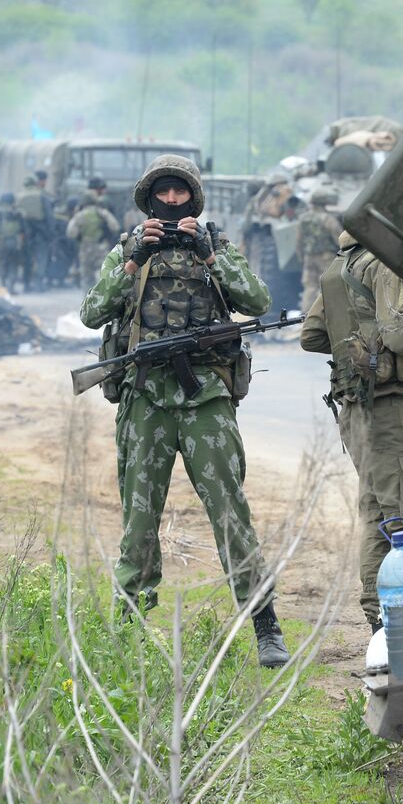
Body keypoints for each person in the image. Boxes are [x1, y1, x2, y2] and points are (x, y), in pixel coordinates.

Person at [78, 154, 290, 667]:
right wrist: (131, 261)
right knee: (139, 517)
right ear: (150, 199)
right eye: (164, 194)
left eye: (180, 194)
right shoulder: (128, 250)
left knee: (229, 509)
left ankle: (264, 624)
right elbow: (91, 313)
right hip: (146, 397)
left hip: (205, 400)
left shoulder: (214, 246)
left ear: (193, 199)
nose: (172, 202)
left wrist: (212, 256)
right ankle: (129, 627)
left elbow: (258, 301)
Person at [300, 230, 403, 632]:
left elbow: (311, 336)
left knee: (379, 514)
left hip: (356, 410)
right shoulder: (384, 264)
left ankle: (379, 617)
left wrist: (355, 348)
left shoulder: (339, 266)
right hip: (393, 409)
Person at [66, 176, 120, 286]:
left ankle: (87, 299)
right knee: (103, 272)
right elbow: (114, 226)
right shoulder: (102, 204)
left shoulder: (81, 205)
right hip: (101, 243)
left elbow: (72, 231)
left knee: (86, 275)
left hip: (85, 244)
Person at [296, 188, 343, 314]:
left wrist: (301, 256)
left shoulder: (303, 219)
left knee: (310, 287)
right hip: (325, 257)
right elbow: (339, 239)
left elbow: (299, 241)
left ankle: (306, 315)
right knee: (327, 286)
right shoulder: (328, 219)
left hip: (308, 257)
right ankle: (328, 314)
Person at [16, 175, 49, 290]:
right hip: (40, 231)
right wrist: (50, 232)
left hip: (25, 232)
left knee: (27, 258)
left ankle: (26, 284)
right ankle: (38, 284)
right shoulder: (42, 196)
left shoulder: (19, 197)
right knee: (41, 257)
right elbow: (48, 216)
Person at [0, 192, 25, 293]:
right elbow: (24, 230)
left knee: (2, 263)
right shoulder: (18, 213)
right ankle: (11, 287)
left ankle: (3, 286)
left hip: (2, 242)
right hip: (15, 242)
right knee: (13, 264)